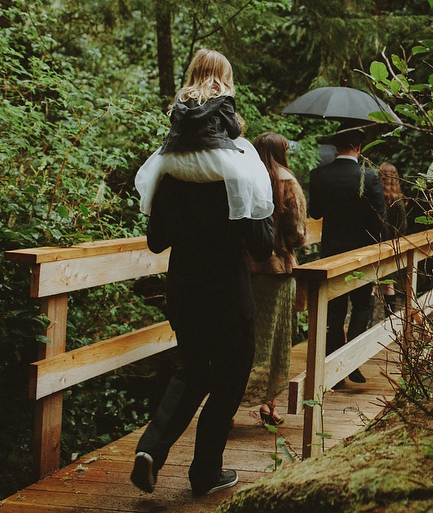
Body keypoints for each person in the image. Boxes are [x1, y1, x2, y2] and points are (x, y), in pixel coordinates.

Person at [130, 174, 275, 497]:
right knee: (230, 382)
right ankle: (206, 471)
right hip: (229, 299)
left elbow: (156, 241)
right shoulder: (238, 177)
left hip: (185, 296)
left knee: (192, 372)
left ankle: (150, 449)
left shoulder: (171, 178)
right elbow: (263, 248)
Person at [134, 48, 273, 221]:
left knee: (155, 177)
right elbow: (234, 132)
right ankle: (252, 208)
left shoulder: (181, 100)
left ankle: (151, 209)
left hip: (174, 160)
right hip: (212, 158)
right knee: (249, 166)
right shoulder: (223, 99)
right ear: (222, 75)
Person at [308, 128, 386, 385]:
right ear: (359, 147)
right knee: (362, 306)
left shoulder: (319, 175)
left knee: (334, 309)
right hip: (361, 254)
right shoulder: (370, 176)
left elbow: (316, 213)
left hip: (331, 253)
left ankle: (335, 364)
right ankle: (351, 361)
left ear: (335, 146)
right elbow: (380, 220)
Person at [246, 132, 308, 426]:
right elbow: (297, 234)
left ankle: (228, 405)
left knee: (245, 339)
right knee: (276, 340)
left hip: (244, 272)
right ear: (283, 152)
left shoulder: (245, 179)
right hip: (278, 272)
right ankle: (269, 406)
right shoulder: (287, 182)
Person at [378, 162, 408, 315]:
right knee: (389, 284)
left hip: (375, 246)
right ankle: (389, 319)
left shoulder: (376, 200)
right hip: (392, 248)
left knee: (371, 283)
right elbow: (402, 228)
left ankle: (368, 323)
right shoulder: (398, 202)